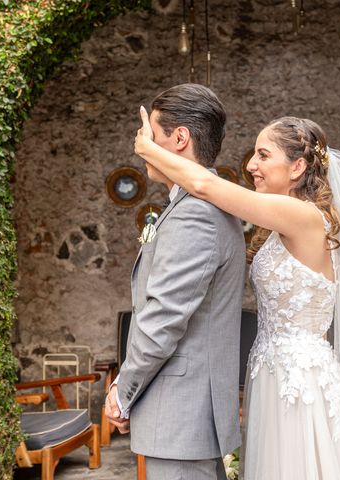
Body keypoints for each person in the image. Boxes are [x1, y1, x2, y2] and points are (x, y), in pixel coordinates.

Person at [134, 110, 340, 479]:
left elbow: (205, 186)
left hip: (301, 383)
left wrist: (147, 148)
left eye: (263, 155)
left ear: (297, 167)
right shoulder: (281, 223)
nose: (251, 165)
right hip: (273, 373)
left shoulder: (304, 216)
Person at [105, 84, 246, 480]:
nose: (142, 142)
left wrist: (122, 391)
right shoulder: (201, 206)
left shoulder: (195, 214)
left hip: (182, 413)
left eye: (151, 131)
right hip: (183, 414)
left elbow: (164, 316)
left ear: (179, 138)